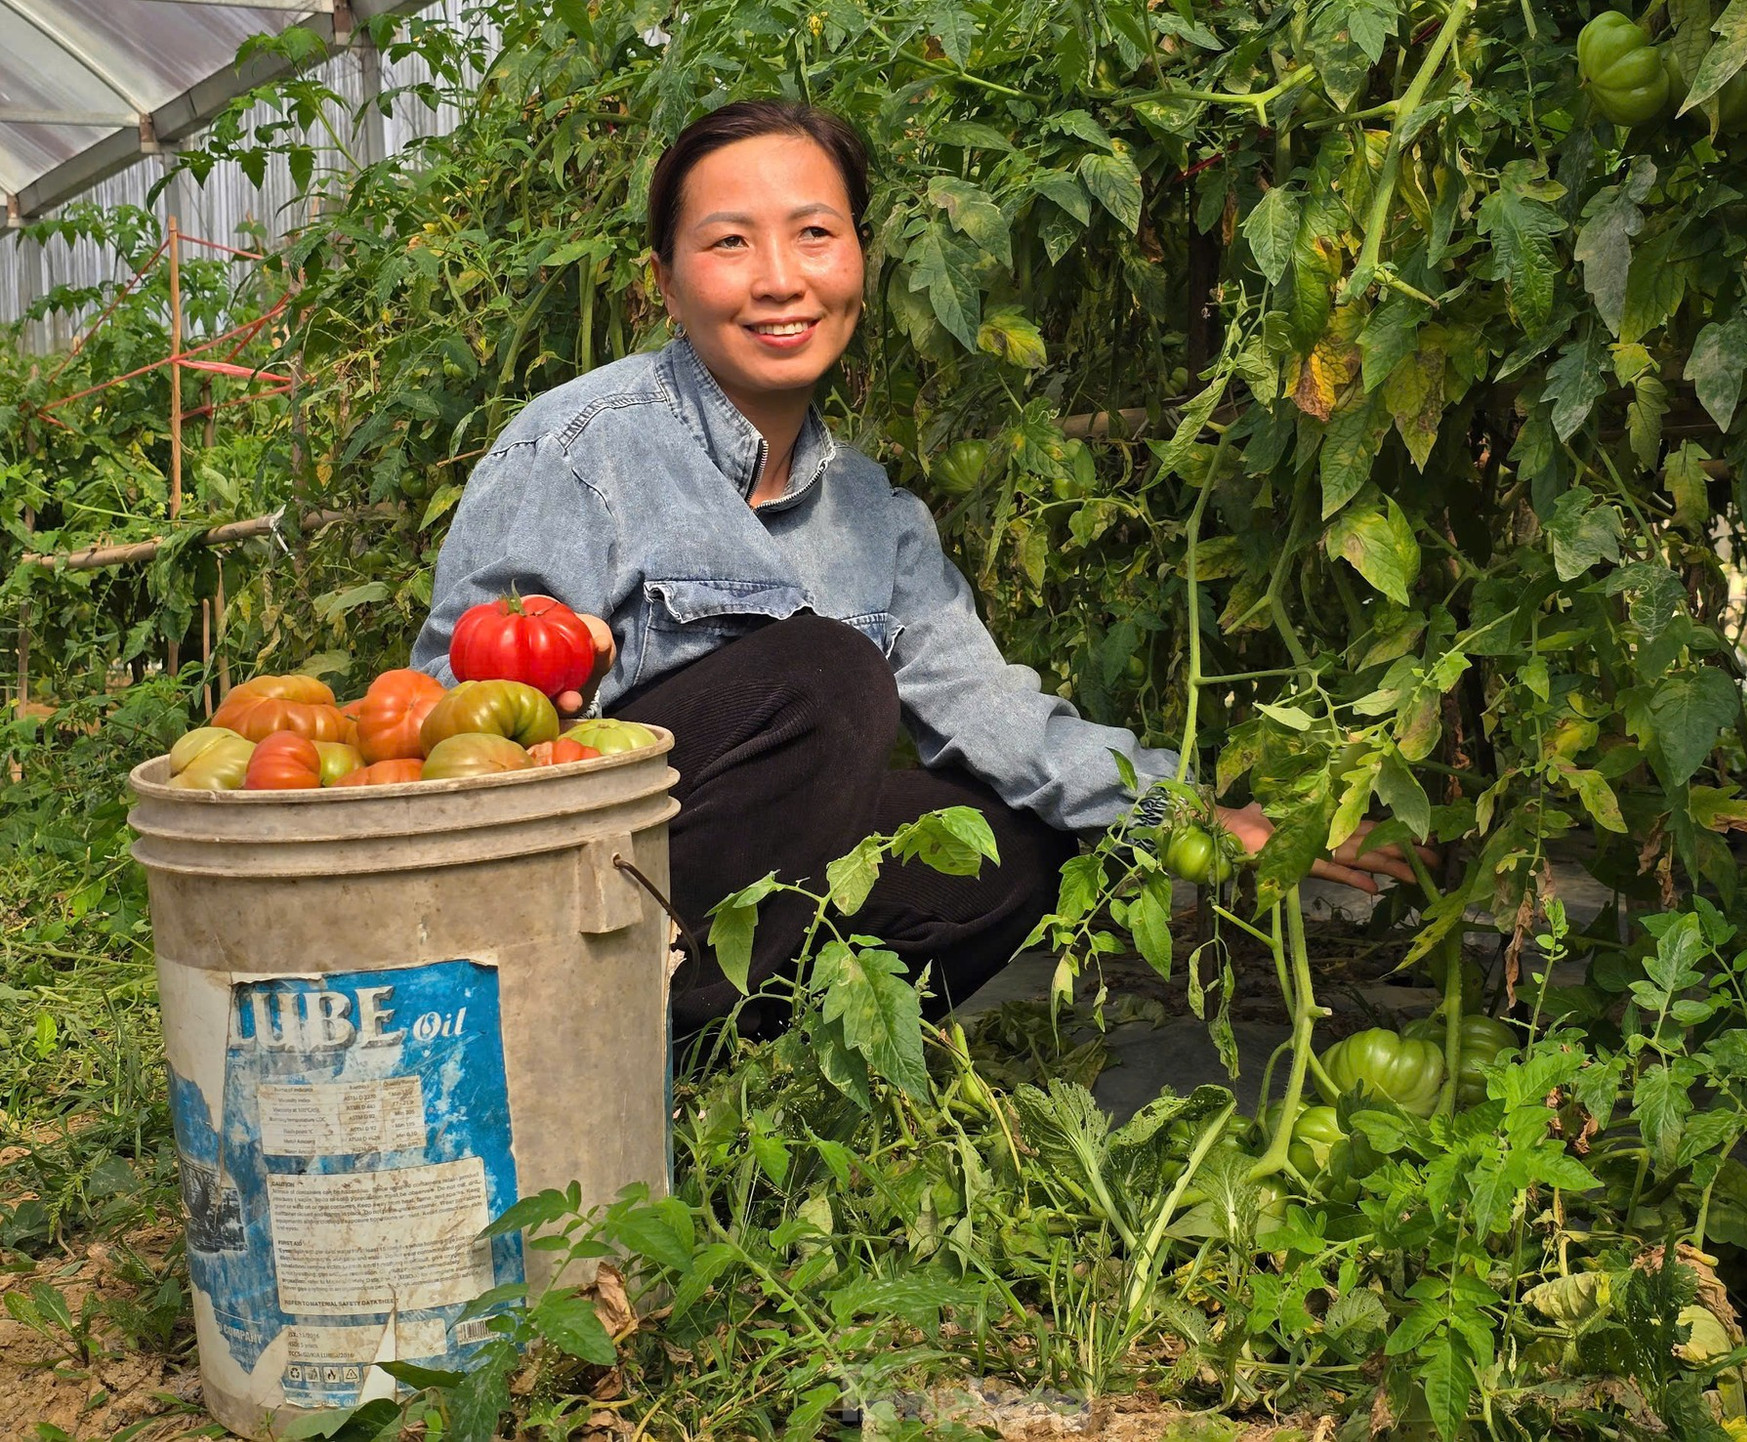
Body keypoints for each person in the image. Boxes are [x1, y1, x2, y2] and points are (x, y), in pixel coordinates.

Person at [412, 99, 1424, 1029]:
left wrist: (1201, 816)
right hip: (560, 908)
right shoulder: (583, 446)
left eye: (815, 233)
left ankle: (731, 1065)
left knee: (1012, 844)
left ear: (859, 257)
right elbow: (441, 729)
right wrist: (562, 687)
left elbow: (999, 717)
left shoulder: (875, 516)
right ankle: (599, 1058)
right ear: (666, 283)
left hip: (709, 926)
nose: (779, 277)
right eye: (729, 242)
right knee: (827, 671)